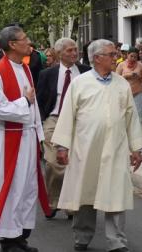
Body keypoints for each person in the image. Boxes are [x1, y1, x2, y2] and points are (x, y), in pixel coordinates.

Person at [53, 39, 142, 252]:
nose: (116, 58)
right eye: (112, 54)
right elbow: (67, 116)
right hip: (86, 149)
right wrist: (62, 147)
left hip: (115, 148)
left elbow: (131, 117)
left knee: (116, 195)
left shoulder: (121, 84)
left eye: (116, 54)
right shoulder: (80, 83)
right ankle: (82, 237)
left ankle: (117, 242)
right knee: (86, 194)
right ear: (97, 58)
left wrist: (136, 148)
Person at [0, 25, 49, 252]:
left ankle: (21, 236)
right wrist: (25, 102)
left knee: (28, 186)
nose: (29, 42)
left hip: (27, 136)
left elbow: (34, 105)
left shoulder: (25, 68)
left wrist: (39, 135)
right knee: (11, 187)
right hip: (9, 138)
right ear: (12, 44)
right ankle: (8, 240)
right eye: (24, 39)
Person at [35, 37, 89, 217]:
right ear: (59, 54)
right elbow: (40, 100)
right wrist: (42, 121)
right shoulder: (47, 74)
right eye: (69, 50)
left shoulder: (86, 73)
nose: (74, 53)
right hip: (54, 120)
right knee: (53, 161)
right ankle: (53, 200)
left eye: (76, 49)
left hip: (80, 122)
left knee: (74, 163)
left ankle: (70, 203)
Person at [116, 48, 142, 118]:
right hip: (124, 92)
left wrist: (141, 82)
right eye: (131, 56)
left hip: (137, 92)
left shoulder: (140, 65)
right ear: (127, 55)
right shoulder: (121, 65)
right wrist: (127, 75)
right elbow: (116, 79)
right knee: (125, 113)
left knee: (137, 113)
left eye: (135, 57)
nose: (133, 59)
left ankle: (137, 128)